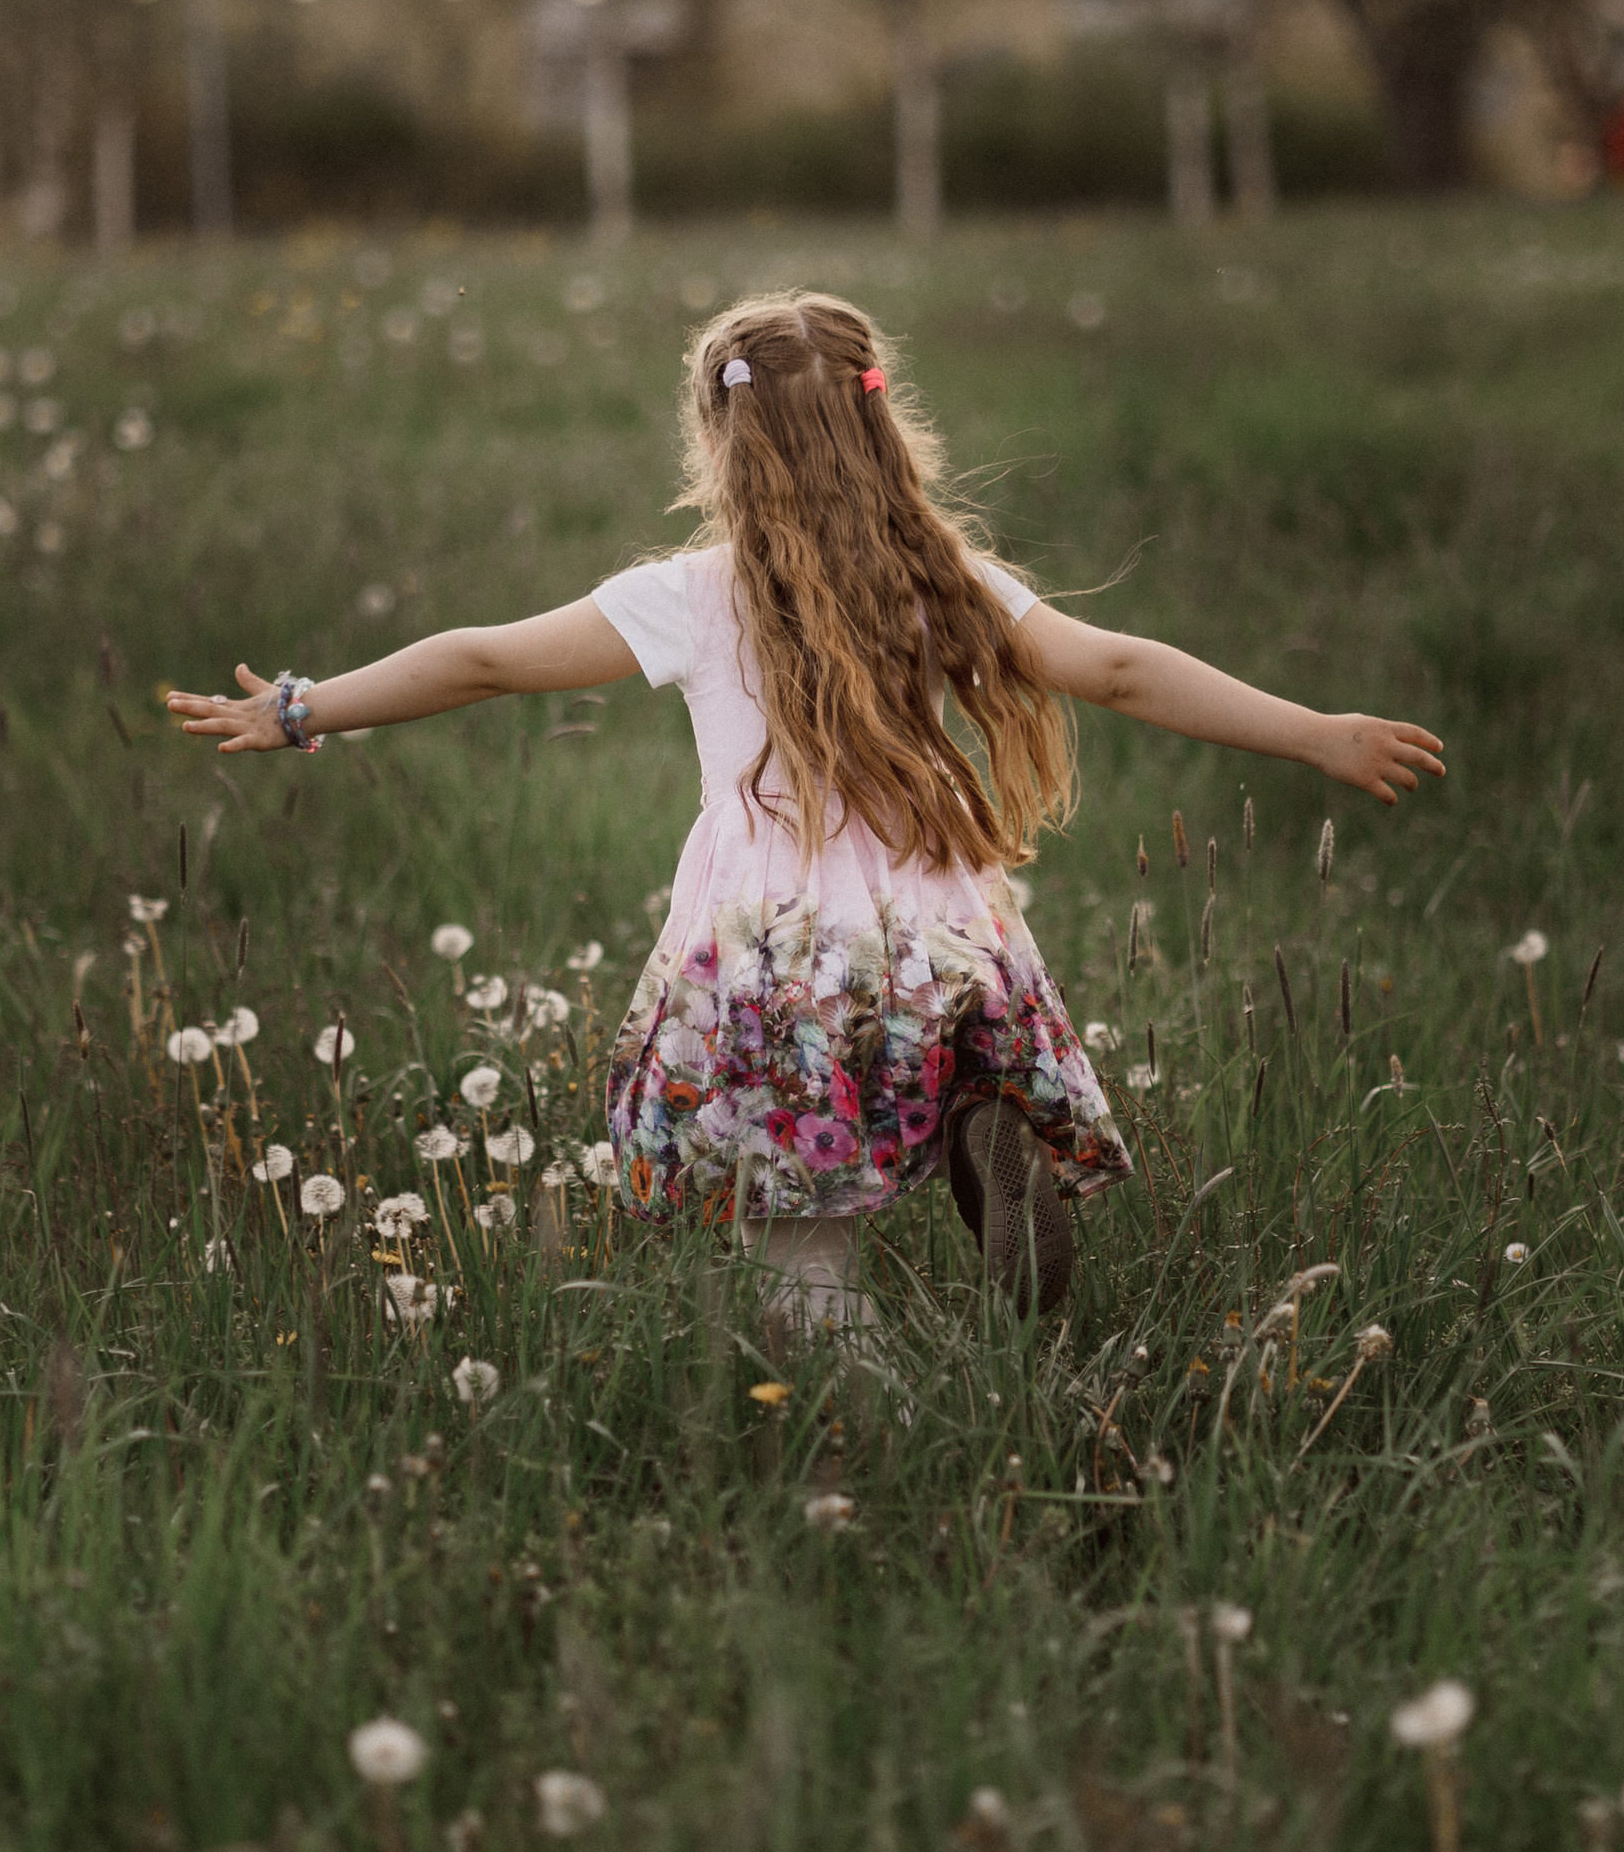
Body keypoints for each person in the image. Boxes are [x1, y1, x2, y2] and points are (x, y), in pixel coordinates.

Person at [168, 288, 1443, 1334]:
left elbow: (485, 659)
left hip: (774, 945)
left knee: (794, 1241)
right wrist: (1315, 731)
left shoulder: (694, 594)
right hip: (942, 925)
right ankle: (971, 1116)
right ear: (883, 424)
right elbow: (1116, 668)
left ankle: (873, 1439)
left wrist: (303, 707)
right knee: (915, 1063)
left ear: (721, 443)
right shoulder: (945, 577)